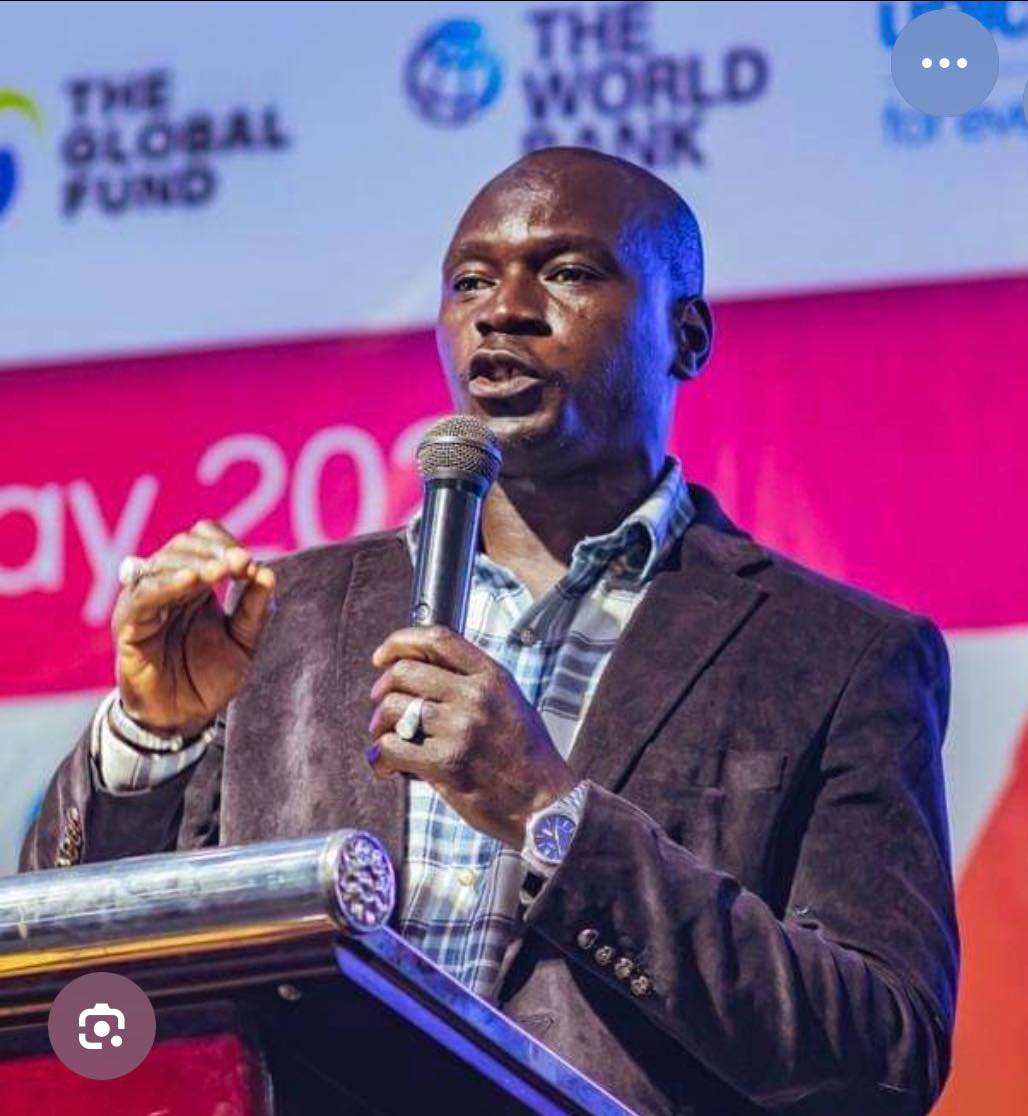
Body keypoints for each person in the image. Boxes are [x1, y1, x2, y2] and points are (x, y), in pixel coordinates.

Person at [21, 147, 958, 1115]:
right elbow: (82, 997)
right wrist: (153, 739)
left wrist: (553, 815)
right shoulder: (284, 618)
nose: (502, 310)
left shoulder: (836, 655)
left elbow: (884, 1051)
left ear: (686, 336)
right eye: (470, 280)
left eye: (568, 272)